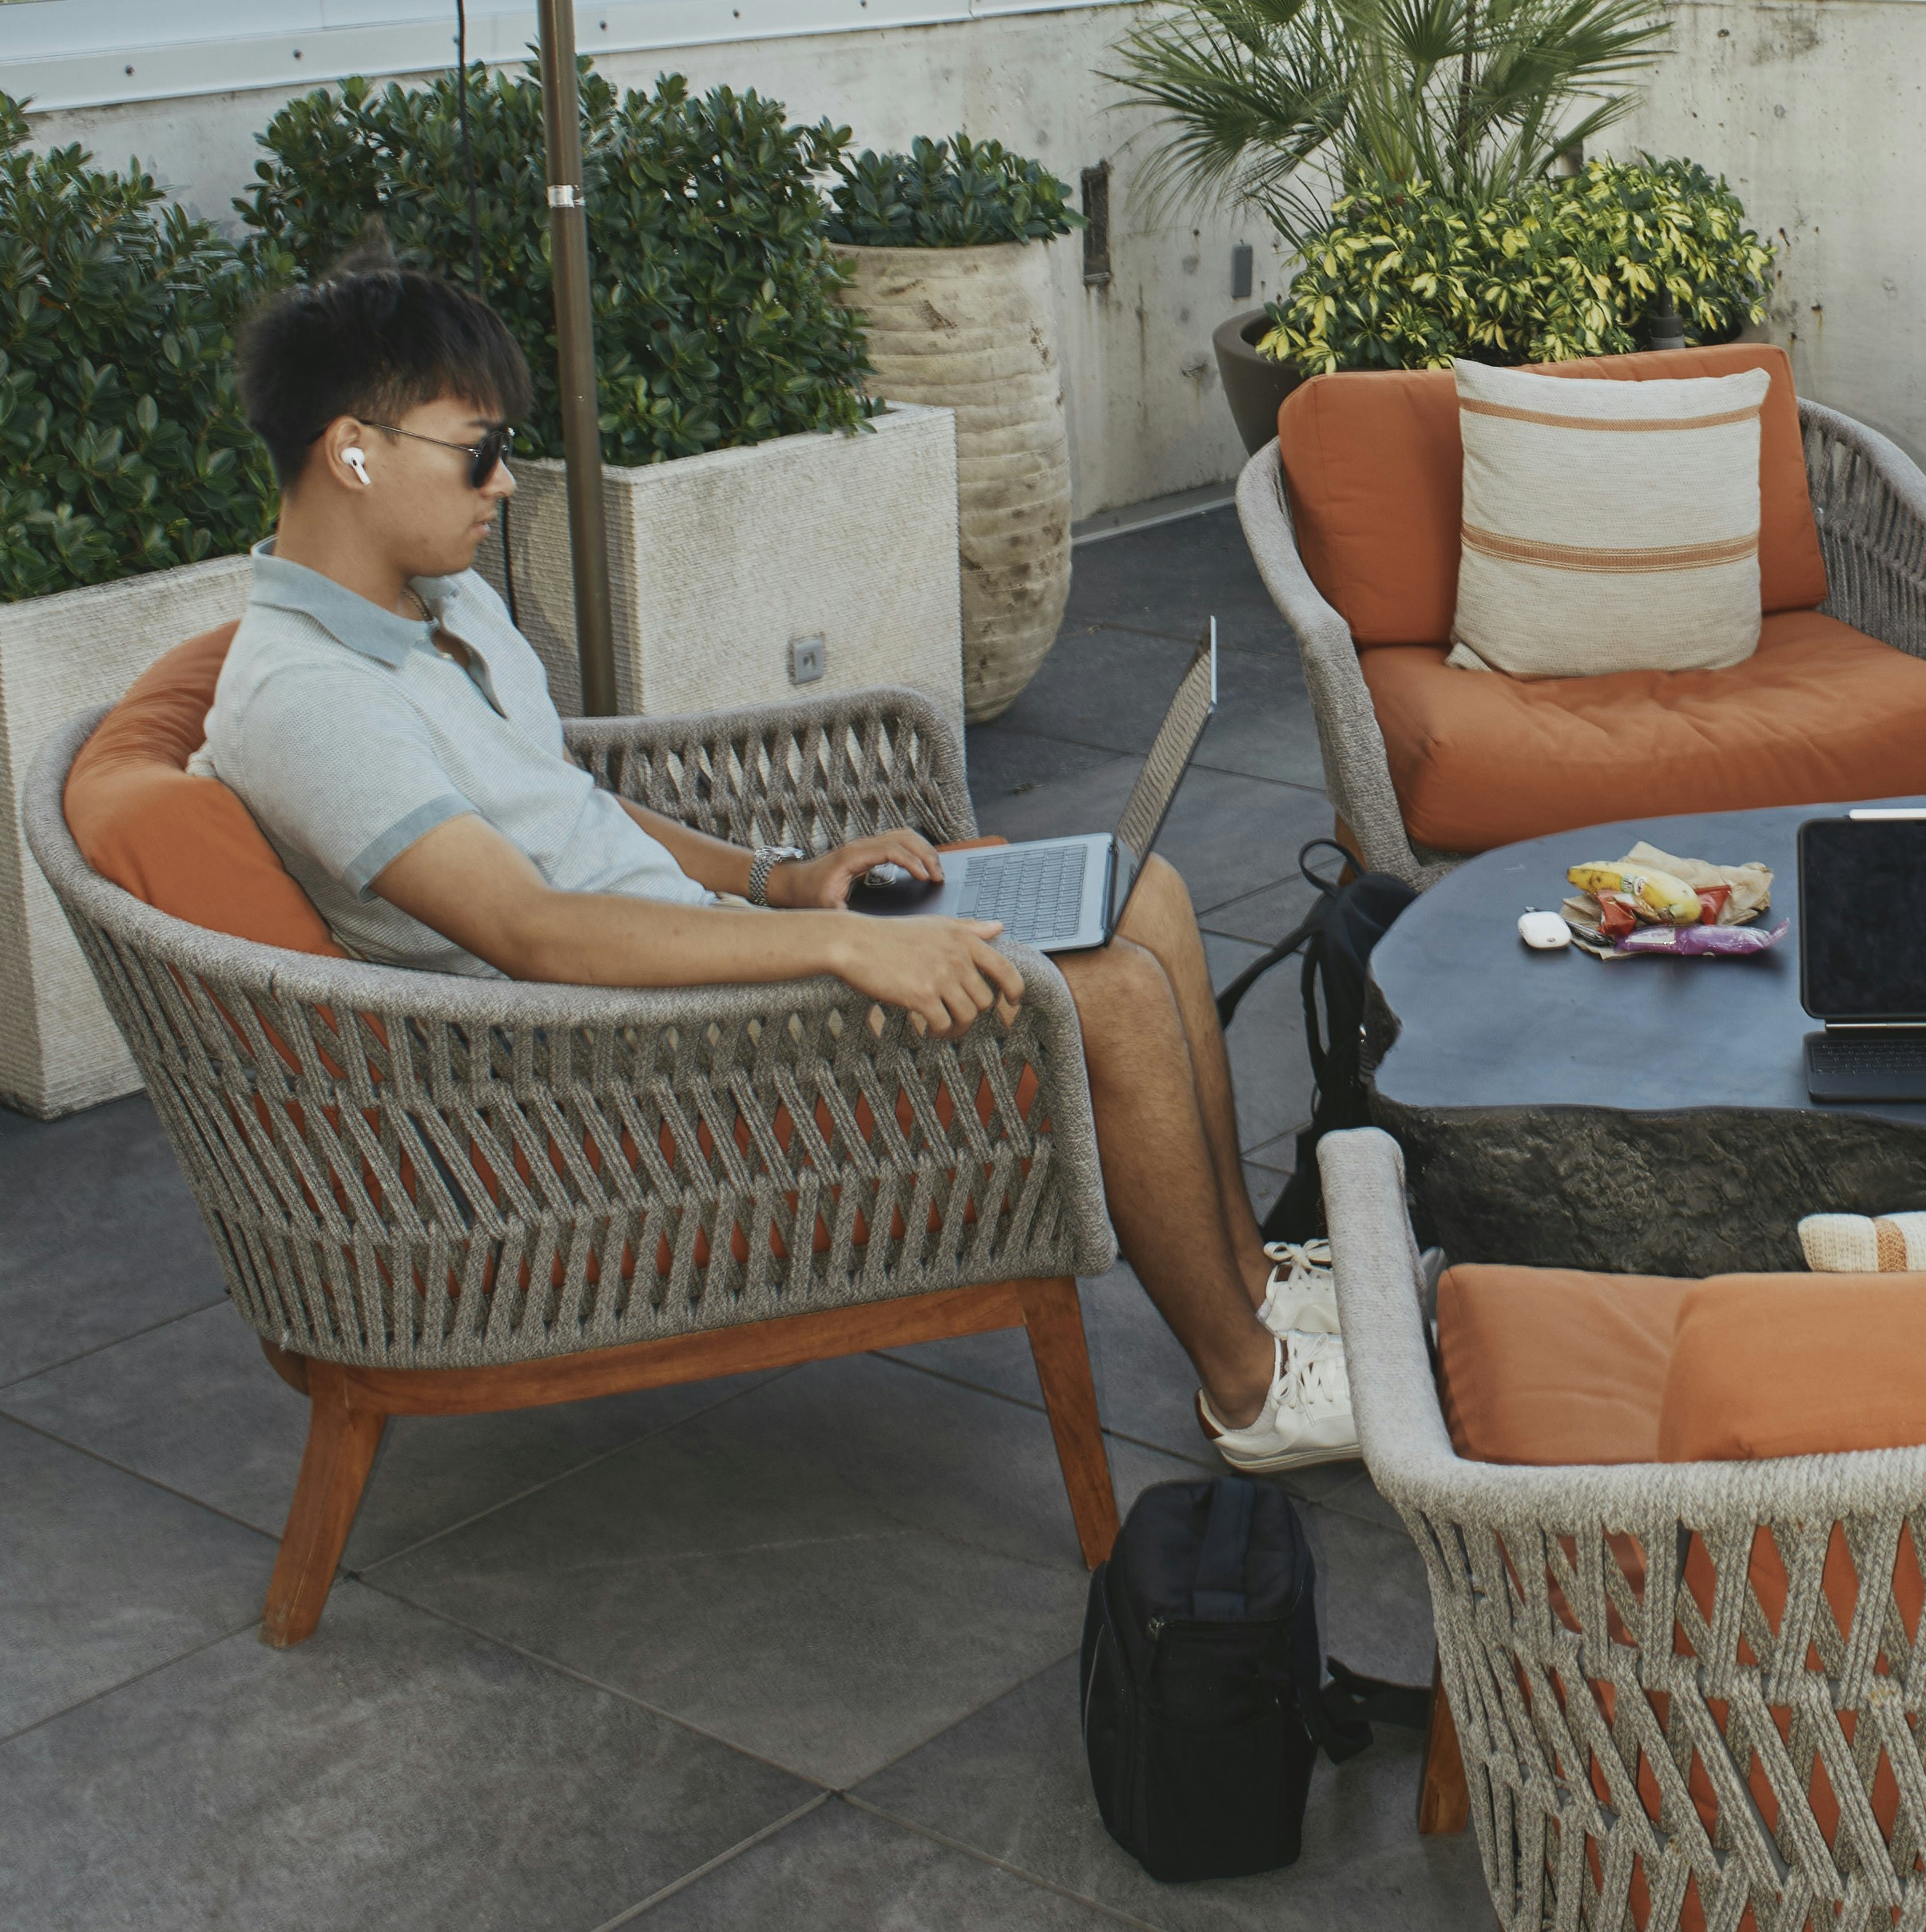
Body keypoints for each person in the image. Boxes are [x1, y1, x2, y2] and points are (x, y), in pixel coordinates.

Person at [204, 254, 1353, 1471]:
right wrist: (842, 942)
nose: (503, 484)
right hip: (609, 1056)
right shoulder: (307, 700)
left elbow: (565, 803)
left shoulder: (436, 600)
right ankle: (1250, 1390)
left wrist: (778, 877)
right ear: (353, 452)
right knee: (1105, 991)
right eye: (478, 451)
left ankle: (1250, 1284)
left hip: (709, 954)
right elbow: (532, 931)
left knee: (1141, 896)